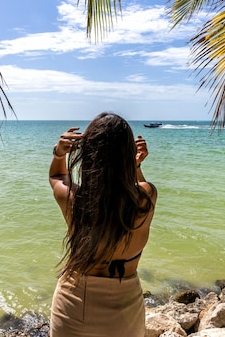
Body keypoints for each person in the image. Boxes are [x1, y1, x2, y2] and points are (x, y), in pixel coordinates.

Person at [48, 112, 158, 337]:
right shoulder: (147, 196)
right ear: (127, 154)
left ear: (87, 154)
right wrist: (134, 165)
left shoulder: (74, 200)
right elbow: (138, 185)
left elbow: (57, 177)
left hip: (74, 304)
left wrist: (59, 153)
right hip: (125, 307)